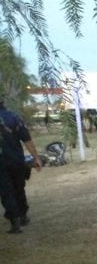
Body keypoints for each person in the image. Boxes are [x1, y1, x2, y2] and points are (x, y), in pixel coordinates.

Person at [0, 97, 42, 233]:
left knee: (6, 191)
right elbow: (26, 139)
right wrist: (36, 157)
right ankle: (23, 216)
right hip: (16, 160)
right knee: (19, 188)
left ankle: (15, 222)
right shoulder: (13, 117)